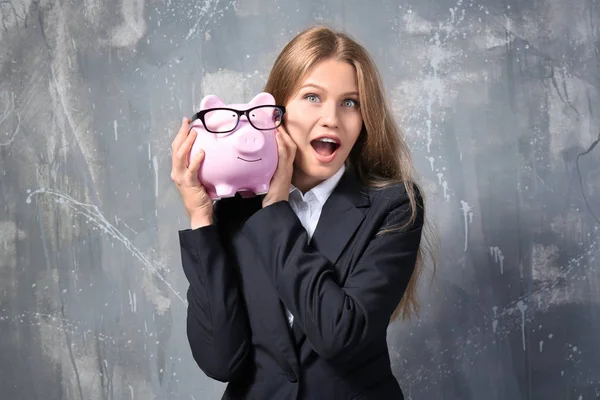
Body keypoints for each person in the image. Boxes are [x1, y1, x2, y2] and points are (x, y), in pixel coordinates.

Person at [171, 25, 435, 400]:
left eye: (350, 103)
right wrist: (201, 217)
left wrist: (276, 210)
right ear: (275, 110)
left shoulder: (394, 206)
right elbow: (221, 361)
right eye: (312, 97)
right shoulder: (235, 210)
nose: (331, 118)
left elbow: (338, 337)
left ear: (364, 120)